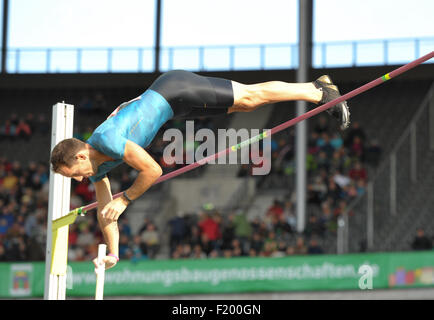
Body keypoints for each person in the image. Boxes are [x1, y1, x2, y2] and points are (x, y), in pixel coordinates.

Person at [49, 70, 351, 270]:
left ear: (79, 155)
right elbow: (106, 215)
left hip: (174, 89)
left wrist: (125, 199)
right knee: (247, 105)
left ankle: (317, 90)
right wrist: (113, 252)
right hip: (174, 107)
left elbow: (153, 171)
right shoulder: (98, 168)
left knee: (248, 96)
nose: (78, 179)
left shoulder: (108, 141)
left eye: (73, 172)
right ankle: (316, 88)